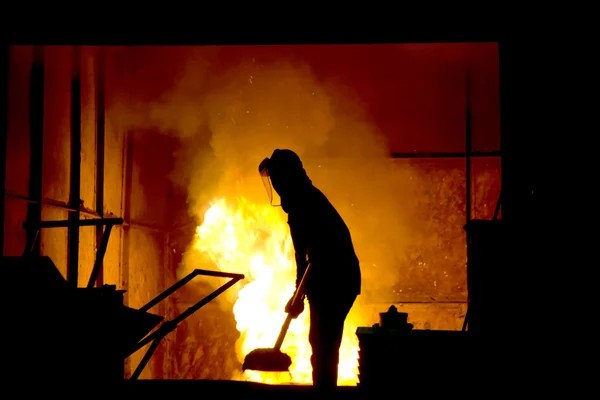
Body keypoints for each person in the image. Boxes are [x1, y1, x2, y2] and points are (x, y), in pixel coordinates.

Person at [258, 149, 361, 390]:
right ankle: (323, 391)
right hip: (333, 278)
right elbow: (304, 256)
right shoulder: (305, 200)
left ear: (286, 177)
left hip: (336, 280)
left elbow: (309, 255)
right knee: (321, 341)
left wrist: (299, 294)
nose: (275, 184)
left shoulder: (305, 204)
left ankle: (324, 395)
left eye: (277, 178)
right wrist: (298, 294)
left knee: (323, 341)